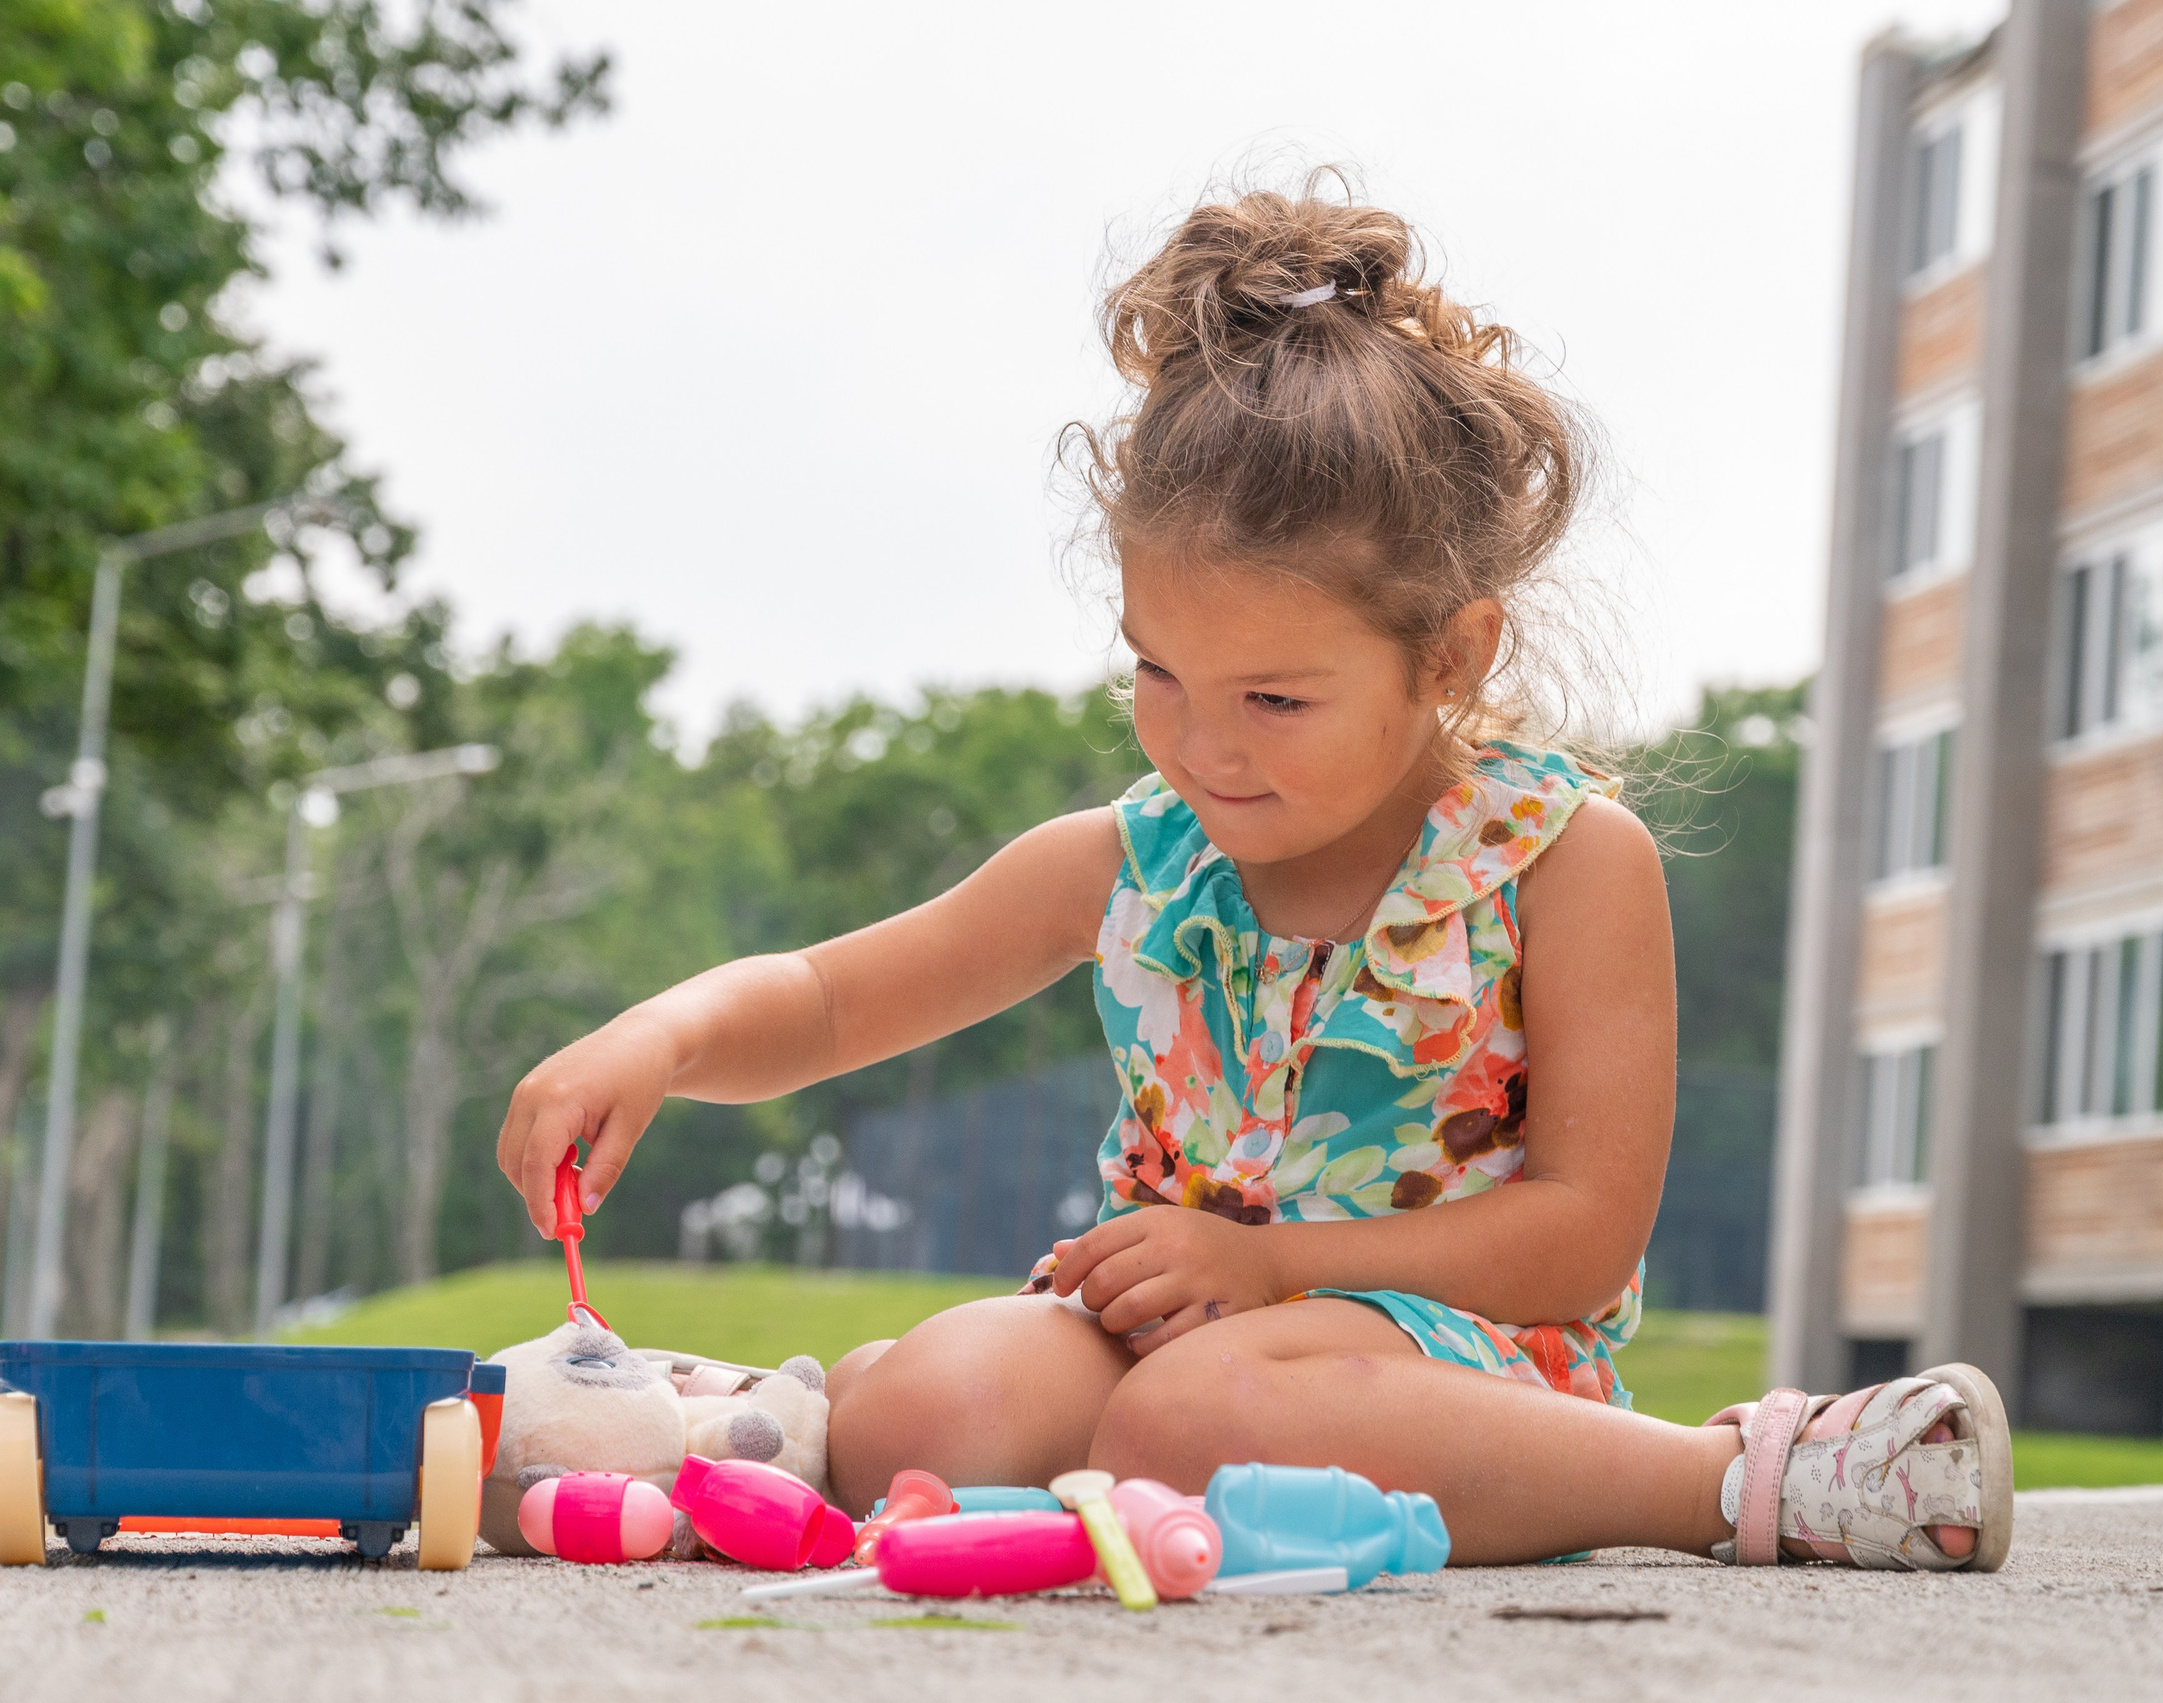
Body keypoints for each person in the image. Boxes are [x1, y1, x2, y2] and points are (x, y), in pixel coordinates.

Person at [493, 178, 2011, 1572]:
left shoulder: (1560, 863)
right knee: (936, 1405)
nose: (1204, 750)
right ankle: (833, 1444)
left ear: (1450, 654)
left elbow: (1579, 1237)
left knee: (1195, 1419)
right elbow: (830, 1000)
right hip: (1168, 1331)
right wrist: (663, 1037)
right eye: (1159, 675)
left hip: (1437, 1359)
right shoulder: (1141, 859)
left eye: (1273, 700)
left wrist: (1272, 1267)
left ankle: (1733, 1481)